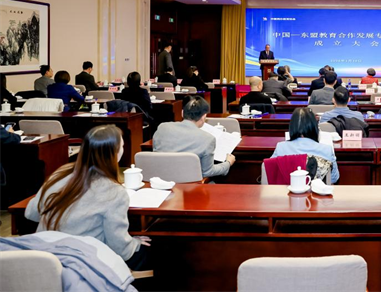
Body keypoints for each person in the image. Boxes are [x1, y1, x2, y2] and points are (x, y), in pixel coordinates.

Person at [25, 125, 152, 269]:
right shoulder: (114, 192)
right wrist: (134, 242)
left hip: (43, 255)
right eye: (122, 146)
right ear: (115, 154)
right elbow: (120, 248)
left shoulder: (60, 174)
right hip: (80, 261)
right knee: (156, 249)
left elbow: (31, 213)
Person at [153, 96, 235, 177]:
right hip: (189, 182)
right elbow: (207, 172)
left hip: (159, 179)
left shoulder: (162, 127)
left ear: (182, 113)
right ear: (203, 117)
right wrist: (228, 163)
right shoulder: (208, 139)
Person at [272, 108, 339, 183]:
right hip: (316, 190)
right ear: (314, 126)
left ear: (292, 126)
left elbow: (269, 172)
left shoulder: (281, 147)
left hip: (287, 189)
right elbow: (333, 178)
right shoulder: (327, 150)